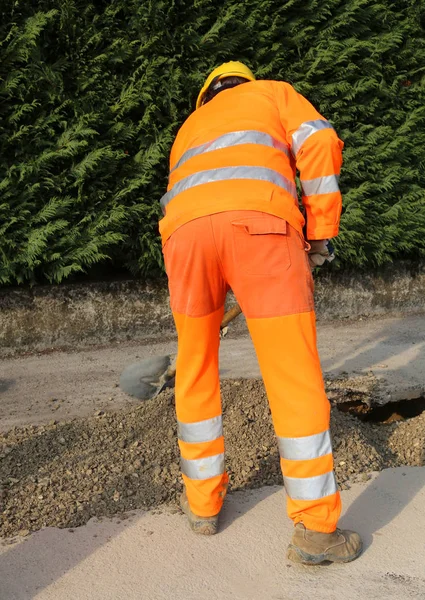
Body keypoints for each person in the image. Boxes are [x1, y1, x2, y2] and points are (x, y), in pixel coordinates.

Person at [159, 61, 362, 565]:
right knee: (291, 373)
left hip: (184, 241)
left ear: (208, 94)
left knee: (195, 366)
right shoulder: (272, 94)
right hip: (264, 231)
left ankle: (202, 506)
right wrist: (319, 235)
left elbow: (202, 205)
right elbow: (317, 142)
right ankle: (315, 529)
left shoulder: (188, 128)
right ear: (245, 81)